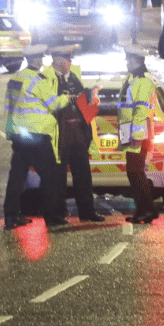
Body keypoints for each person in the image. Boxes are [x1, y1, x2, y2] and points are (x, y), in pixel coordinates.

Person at [2, 44, 69, 229]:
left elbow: (10, 105)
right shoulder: (37, 81)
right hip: (36, 135)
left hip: (18, 134)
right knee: (51, 176)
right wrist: (67, 97)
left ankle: (11, 216)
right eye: (41, 58)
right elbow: (54, 104)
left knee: (17, 176)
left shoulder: (15, 78)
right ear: (38, 60)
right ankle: (53, 217)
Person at [45, 45, 104, 222]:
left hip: (77, 132)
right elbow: (48, 105)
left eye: (69, 60)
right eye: (66, 60)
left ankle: (87, 211)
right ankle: (57, 214)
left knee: (83, 175)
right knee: (57, 176)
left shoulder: (74, 77)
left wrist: (92, 100)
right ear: (56, 60)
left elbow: (82, 101)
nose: (69, 63)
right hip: (59, 134)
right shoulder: (46, 78)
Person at [118, 49, 159, 223]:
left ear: (137, 61)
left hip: (138, 133)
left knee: (136, 172)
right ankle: (143, 210)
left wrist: (135, 134)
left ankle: (147, 210)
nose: (126, 63)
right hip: (131, 131)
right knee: (133, 173)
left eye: (129, 60)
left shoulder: (142, 81)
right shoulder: (133, 79)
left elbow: (141, 109)